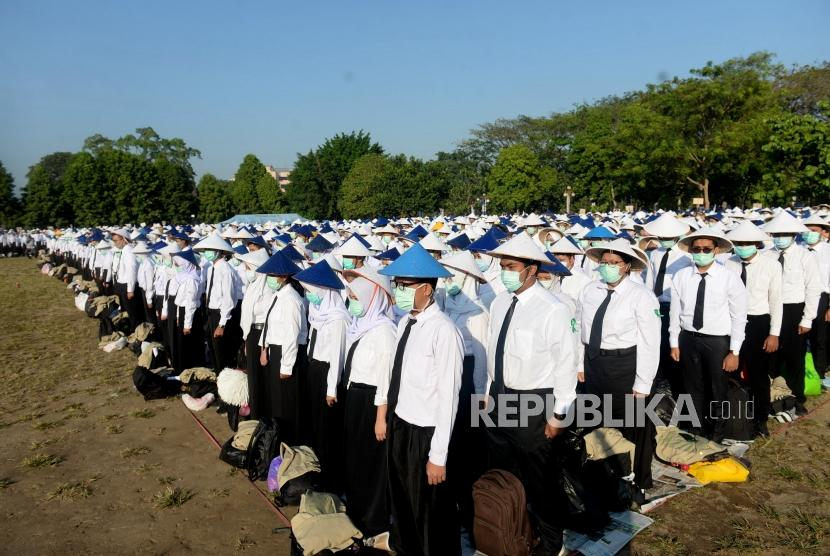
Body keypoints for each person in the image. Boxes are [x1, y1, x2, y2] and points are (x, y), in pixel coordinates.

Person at [484, 233, 578, 556]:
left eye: (511, 266)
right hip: (500, 399)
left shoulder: (553, 309)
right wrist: (488, 394)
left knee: (540, 479)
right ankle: (516, 531)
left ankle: (553, 543)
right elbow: (493, 353)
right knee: (507, 474)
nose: (505, 272)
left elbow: (566, 365)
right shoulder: (498, 303)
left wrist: (558, 416)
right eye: (502, 265)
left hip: (534, 403)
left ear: (532, 269)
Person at [378, 243, 464, 556]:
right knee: (402, 502)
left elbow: (448, 398)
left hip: (426, 433)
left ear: (426, 290)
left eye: (404, 286)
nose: (398, 291)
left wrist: (438, 455)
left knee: (429, 512)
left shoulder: (444, 331)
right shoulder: (405, 323)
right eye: (396, 285)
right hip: (402, 424)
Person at [579, 239, 661, 489]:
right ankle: (606, 476)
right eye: (604, 263)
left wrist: (643, 383)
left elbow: (650, 341)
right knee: (596, 421)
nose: (608, 267)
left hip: (625, 365)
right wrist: (579, 364)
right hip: (594, 364)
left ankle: (638, 481)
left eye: (615, 263)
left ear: (626, 267)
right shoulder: (590, 291)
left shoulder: (641, 296)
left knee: (634, 425)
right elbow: (580, 328)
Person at [669, 228, 747, 441]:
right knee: (691, 387)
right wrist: (674, 342)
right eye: (696, 249)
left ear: (716, 250)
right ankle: (696, 428)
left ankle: (717, 432)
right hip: (688, 338)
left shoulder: (729, 278)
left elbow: (739, 316)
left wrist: (735, 351)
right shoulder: (682, 276)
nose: (701, 252)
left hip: (717, 342)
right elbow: (675, 312)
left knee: (717, 388)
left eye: (706, 249)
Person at [341, 265, 397, 538]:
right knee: (355, 457)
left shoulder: (385, 331)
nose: (351, 303)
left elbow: (385, 379)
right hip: (356, 396)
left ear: (370, 299)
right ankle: (356, 509)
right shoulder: (362, 325)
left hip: (373, 402)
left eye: (355, 298)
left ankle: (373, 519)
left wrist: (380, 416)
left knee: (372, 463)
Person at [438, 250, 490, 533]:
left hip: (470, 379)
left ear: (468, 278)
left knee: (467, 446)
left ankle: (472, 513)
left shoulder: (478, 313)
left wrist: (481, 394)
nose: (449, 281)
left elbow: (482, 357)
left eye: (455, 276)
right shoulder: (448, 305)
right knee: (452, 444)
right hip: (452, 374)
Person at [294, 260, 350, 492]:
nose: (309, 296)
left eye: (311, 291)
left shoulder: (338, 318)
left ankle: (331, 477)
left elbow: (337, 356)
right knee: (314, 423)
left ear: (323, 291)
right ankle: (316, 466)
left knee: (327, 427)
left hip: (328, 373)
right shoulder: (318, 312)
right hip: (314, 368)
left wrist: (331, 388)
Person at [725, 221, 782, 437]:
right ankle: (734, 414)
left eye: (747, 243)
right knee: (731, 370)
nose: (742, 246)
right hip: (731, 321)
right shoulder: (729, 263)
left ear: (756, 244)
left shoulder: (771, 265)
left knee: (758, 374)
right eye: (739, 243)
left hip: (758, 322)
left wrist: (774, 333)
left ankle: (761, 418)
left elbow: (776, 300)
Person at [762, 211, 822, 416]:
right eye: (776, 234)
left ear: (794, 235)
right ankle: (772, 394)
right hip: (770, 308)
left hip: (793, 310)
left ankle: (797, 397)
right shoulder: (767, 255)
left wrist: (807, 318)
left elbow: (813, 288)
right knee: (771, 354)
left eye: (784, 234)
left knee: (794, 356)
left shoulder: (805, 256)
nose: (779, 238)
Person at [256, 251, 306, 442]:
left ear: (283, 277)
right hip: (275, 351)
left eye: (272, 275)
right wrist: (264, 348)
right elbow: (269, 323)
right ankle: (277, 440)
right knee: (276, 401)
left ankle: (289, 441)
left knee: (286, 403)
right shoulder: (277, 296)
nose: (269, 279)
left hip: (287, 355)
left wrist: (286, 366)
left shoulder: (292, 300)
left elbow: (291, 336)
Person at [644, 213, 693, 398]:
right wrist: (649, 302)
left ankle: (674, 383)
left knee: (673, 344)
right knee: (657, 343)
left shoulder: (685, 257)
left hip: (675, 305)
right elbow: (650, 279)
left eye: (667, 238)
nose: (664, 240)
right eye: (661, 237)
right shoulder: (655, 254)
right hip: (657, 304)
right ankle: (659, 380)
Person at [194, 233, 243, 372]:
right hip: (211, 312)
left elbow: (228, 298)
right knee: (213, 349)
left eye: (210, 250)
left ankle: (224, 379)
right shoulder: (211, 268)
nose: (207, 253)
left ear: (219, 251)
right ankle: (218, 376)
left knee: (222, 352)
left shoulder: (226, 270)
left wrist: (222, 324)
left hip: (222, 315)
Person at [802, 214, 830, 379]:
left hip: (821, 297)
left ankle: (819, 372)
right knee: (800, 336)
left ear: (822, 232)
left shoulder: (828, 251)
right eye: (807, 230)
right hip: (801, 296)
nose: (809, 233)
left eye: (813, 230)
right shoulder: (800, 250)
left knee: (819, 338)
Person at [171, 250, 206, 372]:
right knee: (183, 345)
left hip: (190, 315)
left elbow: (190, 304)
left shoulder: (192, 279)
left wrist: (187, 325)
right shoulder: (185, 278)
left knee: (190, 346)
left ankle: (192, 371)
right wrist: (178, 317)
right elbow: (180, 300)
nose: (178, 268)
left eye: (180, 265)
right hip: (183, 313)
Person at [111, 228, 142, 331]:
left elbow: (132, 269)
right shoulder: (124, 250)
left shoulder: (128, 250)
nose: (115, 243)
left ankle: (135, 331)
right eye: (113, 241)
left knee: (132, 312)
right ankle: (130, 330)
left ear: (124, 239)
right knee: (127, 311)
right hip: (122, 284)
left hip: (127, 286)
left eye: (116, 240)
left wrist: (130, 289)